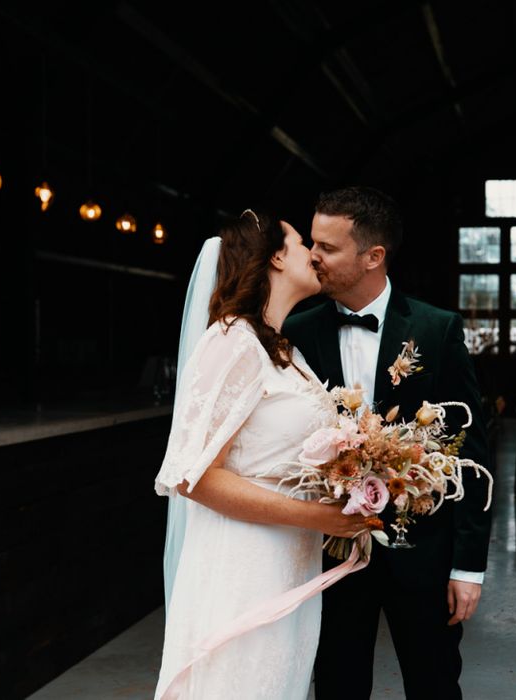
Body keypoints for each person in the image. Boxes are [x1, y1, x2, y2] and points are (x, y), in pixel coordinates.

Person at [283, 186, 492, 699]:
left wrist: (468, 567)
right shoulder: (296, 331)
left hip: (423, 555)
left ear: (373, 256)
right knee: (336, 683)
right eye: (312, 242)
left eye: (327, 247)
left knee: (435, 684)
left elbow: (469, 452)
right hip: (330, 553)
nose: (313, 256)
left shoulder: (436, 329)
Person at [153, 209, 368, 699]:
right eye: (299, 244)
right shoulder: (231, 342)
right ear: (273, 256)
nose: (313, 255)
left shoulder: (285, 353)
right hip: (241, 570)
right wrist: (316, 516)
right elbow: (194, 478)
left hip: (287, 566)